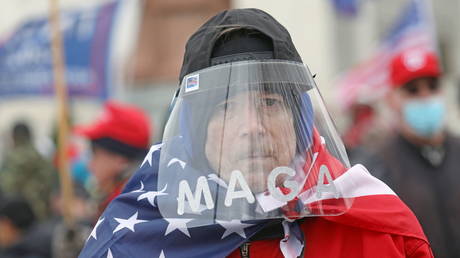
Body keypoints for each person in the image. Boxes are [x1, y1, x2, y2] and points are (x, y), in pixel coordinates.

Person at [80, 9, 432, 257]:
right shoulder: (136, 238)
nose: (252, 127)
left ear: (300, 121)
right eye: (226, 107)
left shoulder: (380, 234)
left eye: (269, 102)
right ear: (194, 133)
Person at [363, 49, 460, 257]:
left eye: (432, 87)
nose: (425, 97)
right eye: (412, 90)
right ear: (391, 99)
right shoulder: (377, 168)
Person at [74, 101, 151, 217]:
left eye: (94, 153)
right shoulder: (120, 199)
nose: (89, 165)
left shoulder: (125, 209)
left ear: (121, 160)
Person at [0, 121, 57, 221]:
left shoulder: (14, 158)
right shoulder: (40, 157)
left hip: (20, 217)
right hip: (42, 212)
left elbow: (7, 186)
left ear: (14, 137)